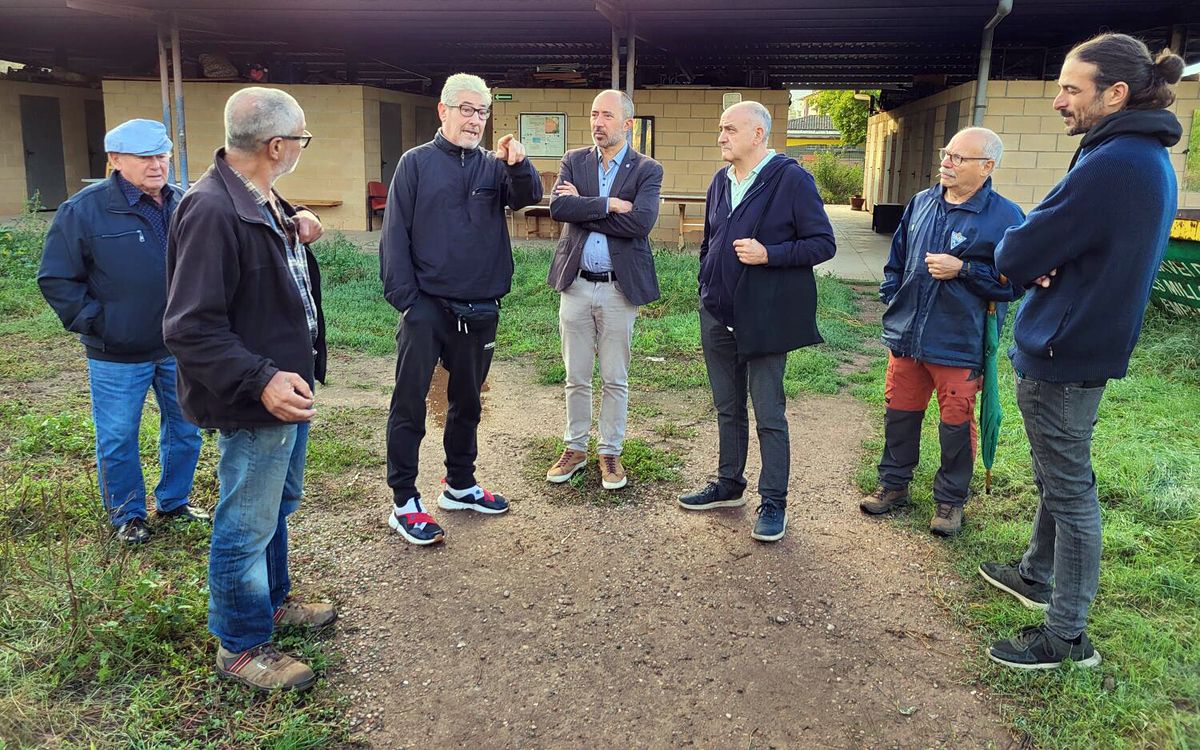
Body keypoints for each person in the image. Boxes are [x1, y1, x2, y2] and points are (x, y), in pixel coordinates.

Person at [983, 33, 1183, 670]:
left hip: (1064, 350)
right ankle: (1036, 573)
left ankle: (1067, 636)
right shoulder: (1144, 156)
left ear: (1115, 94)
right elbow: (1071, 246)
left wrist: (1040, 253)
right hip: (1088, 342)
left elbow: (1015, 252)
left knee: (1070, 490)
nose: (1058, 101)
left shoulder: (1115, 161)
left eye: (1072, 88)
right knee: (1056, 475)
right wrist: (1052, 252)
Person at [164, 87, 335, 691]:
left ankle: (272, 601)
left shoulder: (256, 196)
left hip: (286, 389)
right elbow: (190, 327)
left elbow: (260, 267)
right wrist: (260, 379)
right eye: (301, 140)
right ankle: (239, 644)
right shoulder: (211, 209)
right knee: (245, 521)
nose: (299, 150)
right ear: (276, 146)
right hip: (256, 395)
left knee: (276, 507)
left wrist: (296, 223)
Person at [379, 73, 542, 545]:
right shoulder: (415, 164)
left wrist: (519, 163)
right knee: (409, 403)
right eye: (467, 109)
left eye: (482, 112)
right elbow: (394, 238)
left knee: (467, 401)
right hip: (427, 304)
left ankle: (460, 484)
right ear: (443, 111)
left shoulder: (495, 167)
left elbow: (528, 198)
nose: (475, 120)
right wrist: (408, 302)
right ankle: (404, 500)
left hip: (481, 303)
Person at [37, 119, 205, 545]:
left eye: (162, 155)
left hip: (177, 347)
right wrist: (100, 323)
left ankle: (174, 502)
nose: (156, 165)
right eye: (144, 157)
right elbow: (57, 279)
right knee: (117, 436)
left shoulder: (182, 203)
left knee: (186, 428)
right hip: (116, 352)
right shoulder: (84, 210)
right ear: (115, 160)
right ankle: (128, 515)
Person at [677, 101, 836, 542]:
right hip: (717, 314)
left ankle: (774, 502)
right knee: (727, 407)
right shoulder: (720, 181)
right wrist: (706, 282)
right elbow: (711, 241)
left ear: (758, 134)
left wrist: (771, 254)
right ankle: (729, 484)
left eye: (730, 129)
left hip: (764, 318)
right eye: (720, 129)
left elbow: (823, 244)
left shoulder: (791, 179)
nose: (721, 137)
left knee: (768, 412)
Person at [859, 127, 1024, 536]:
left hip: (959, 342)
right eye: (945, 152)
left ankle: (950, 502)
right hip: (908, 337)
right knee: (900, 414)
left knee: (955, 425)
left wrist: (963, 270)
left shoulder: (1005, 217)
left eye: (958, 157)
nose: (946, 162)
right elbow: (896, 259)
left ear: (987, 167)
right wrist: (892, 298)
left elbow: (1014, 283)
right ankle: (894, 485)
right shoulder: (921, 202)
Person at [544, 89, 663, 490]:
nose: (598, 123)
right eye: (594, 115)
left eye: (607, 116)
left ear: (627, 123)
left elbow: (641, 223)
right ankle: (575, 448)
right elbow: (559, 209)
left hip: (618, 290)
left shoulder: (647, 169)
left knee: (615, 378)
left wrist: (587, 206)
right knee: (576, 376)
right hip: (575, 286)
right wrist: (610, 204)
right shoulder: (574, 161)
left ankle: (609, 452)